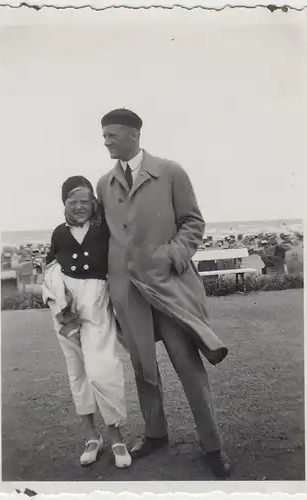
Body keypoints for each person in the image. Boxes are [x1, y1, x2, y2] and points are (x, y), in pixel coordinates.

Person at [97, 108, 230, 478]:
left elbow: (193, 222)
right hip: (128, 292)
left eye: (111, 134)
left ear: (134, 135)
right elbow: (103, 234)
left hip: (168, 286)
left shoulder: (170, 171)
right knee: (143, 368)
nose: (105, 140)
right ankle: (155, 433)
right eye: (104, 135)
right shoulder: (103, 183)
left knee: (188, 365)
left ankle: (212, 445)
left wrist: (170, 256)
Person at [42, 175, 132, 469]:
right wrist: (59, 299)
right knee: (77, 371)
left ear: (94, 203)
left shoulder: (103, 230)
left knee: (103, 369)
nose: (79, 206)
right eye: (72, 201)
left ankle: (116, 436)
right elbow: (50, 267)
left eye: (85, 201)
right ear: (63, 204)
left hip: (97, 303)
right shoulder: (58, 233)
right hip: (65, 309)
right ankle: (91, 437)